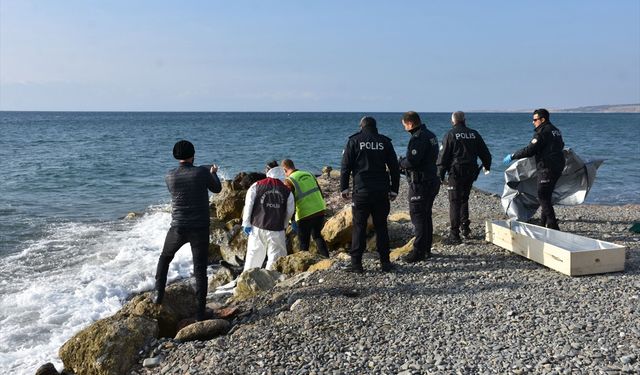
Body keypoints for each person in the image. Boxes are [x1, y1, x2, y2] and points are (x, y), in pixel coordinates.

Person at [154, 140, 222, 321]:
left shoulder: (169, 176)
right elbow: (217, 188)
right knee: (200, 269)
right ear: (193, 154)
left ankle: (158, 294)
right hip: (199, 227)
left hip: (178, 226)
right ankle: (200, 313)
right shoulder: (202, 172)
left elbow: (185, 182)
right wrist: (213, 174)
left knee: (165, 257)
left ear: (176, 156)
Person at [340, 116, 400, 273]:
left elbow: (345, 166)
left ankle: (357, 264)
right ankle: (385, 263)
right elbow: (394, 167)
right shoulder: (385, 142)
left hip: (361, 191)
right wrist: (394, 189)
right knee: (381, 226)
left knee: (359, 226)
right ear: (375, 126)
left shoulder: (354, 141)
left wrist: (344, 188)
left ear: (361, 126)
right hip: (381, 191)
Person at [503, 108, 565, 230]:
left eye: (535, 120)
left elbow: (530, 150)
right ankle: (543, 223)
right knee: (546, 195)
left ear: (543, 119)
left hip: (547, 167)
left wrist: (513, 156)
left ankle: (553, 226)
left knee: (542, 195)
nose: (533, 122)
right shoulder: (556, 131)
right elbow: (561, 145)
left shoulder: (542, 132)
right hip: (558, 166)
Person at [437, 111, 492, 245]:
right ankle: (465, 227)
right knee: (464, 198)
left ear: (453, 121)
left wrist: (440, 174)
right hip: (471, 172)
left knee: (454, 201)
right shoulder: (474, 134)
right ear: (464, 120)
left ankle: (454, 234)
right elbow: (485, 153)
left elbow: (443, 157)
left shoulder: (450, 134)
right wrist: (487, 166)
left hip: (456, 172)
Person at [398, 111, 441, 262]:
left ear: (410, 123)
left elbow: (412, 161)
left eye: (405, 126)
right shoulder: (431, 135)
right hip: (431, 180)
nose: (405, 129)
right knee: (426, 215)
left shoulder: (418, 138)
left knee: (418, 217)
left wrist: (400, 164)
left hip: (421, 183)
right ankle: (426, 249)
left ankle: (418, 251)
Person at [241, 162, 295, 271]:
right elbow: (290, 211)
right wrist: (284, 224)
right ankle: (271, 283)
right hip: (277, 229)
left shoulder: (256, 186)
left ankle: (248, 280)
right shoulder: (287, 191)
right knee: (276, 258)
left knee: (253, 257)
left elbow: (249, 205)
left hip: (257, 227)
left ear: (267, 171)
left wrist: (246, 223)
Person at [281, 159, 330, 257]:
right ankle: (327, 258)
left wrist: (291, 219)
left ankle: (304, 264)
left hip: (304, 214)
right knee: (317, 236)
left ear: (284, 169)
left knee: (303, 242)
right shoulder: (309, 174)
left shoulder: (289, 180)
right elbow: (320, 192)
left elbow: (290, 202)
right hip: (319, 209)